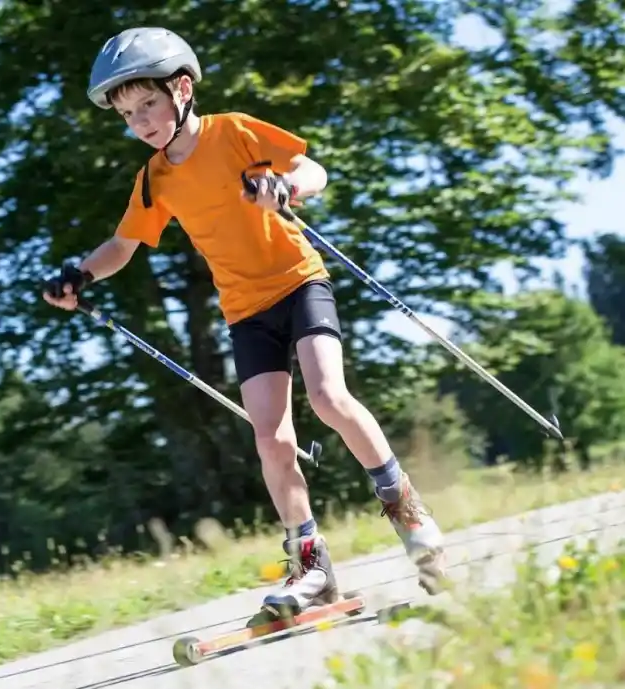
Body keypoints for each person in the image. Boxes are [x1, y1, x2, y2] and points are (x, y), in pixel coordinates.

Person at [43, 27, 448, 620]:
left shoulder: (233, 132)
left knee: (330, 397)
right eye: (127, 114)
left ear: (182, 89)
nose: (140, 122)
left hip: (298, 283)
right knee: (270, 437)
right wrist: (79, 275)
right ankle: (312, 567)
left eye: (148, 104)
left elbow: (314, 170)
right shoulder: (155, 179)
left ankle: (410, 514)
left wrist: (284, 186)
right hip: (245, 310)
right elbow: (123, 245)